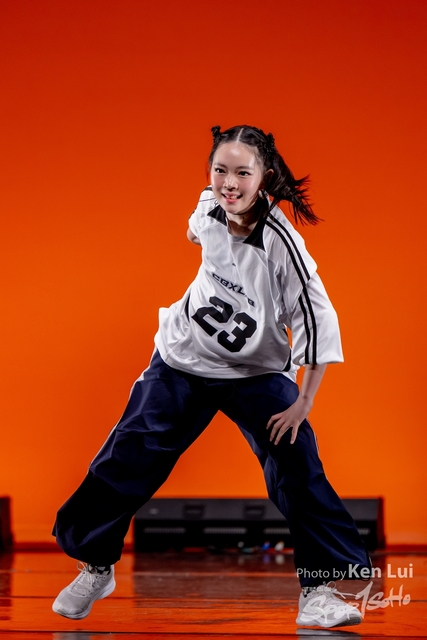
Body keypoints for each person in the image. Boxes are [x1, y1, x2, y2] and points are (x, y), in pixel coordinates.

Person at [52, 124, 371, 628]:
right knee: (127, 456)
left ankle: (320, 592)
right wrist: (201, 230)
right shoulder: (209, 206)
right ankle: (96, 565)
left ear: (264, 176)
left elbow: (318, 318)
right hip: (183, 358)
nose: (229, 183)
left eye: (242, 173)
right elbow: (196, 226)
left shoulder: (283, 246)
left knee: (297, 467)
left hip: (254, 372)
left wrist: (303, 401)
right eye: (220, 170)